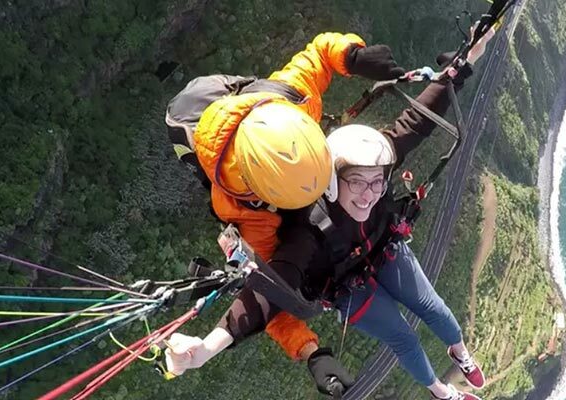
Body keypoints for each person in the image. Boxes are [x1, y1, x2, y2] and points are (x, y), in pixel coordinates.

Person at [165, 26, 498, 400]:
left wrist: (464, 57)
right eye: (357, 184)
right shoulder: (283, 224)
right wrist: (207, 350)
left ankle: (459, 352)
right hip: (342, 281)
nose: (370, 195)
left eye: (377, 183)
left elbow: (415, 118)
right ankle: (441, 391)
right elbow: (269, 291)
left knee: (434, 310)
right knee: (402, 336)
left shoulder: (288, 103)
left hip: (381, 245)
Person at [165, 31, 406, 388]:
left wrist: (352, 56)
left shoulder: (290, 101)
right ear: (271, 196)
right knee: (297, 242)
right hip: (225, 156)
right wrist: (310, 352)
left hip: (254, 112)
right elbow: (270, 289)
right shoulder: (246, 212)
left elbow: (320, 54)